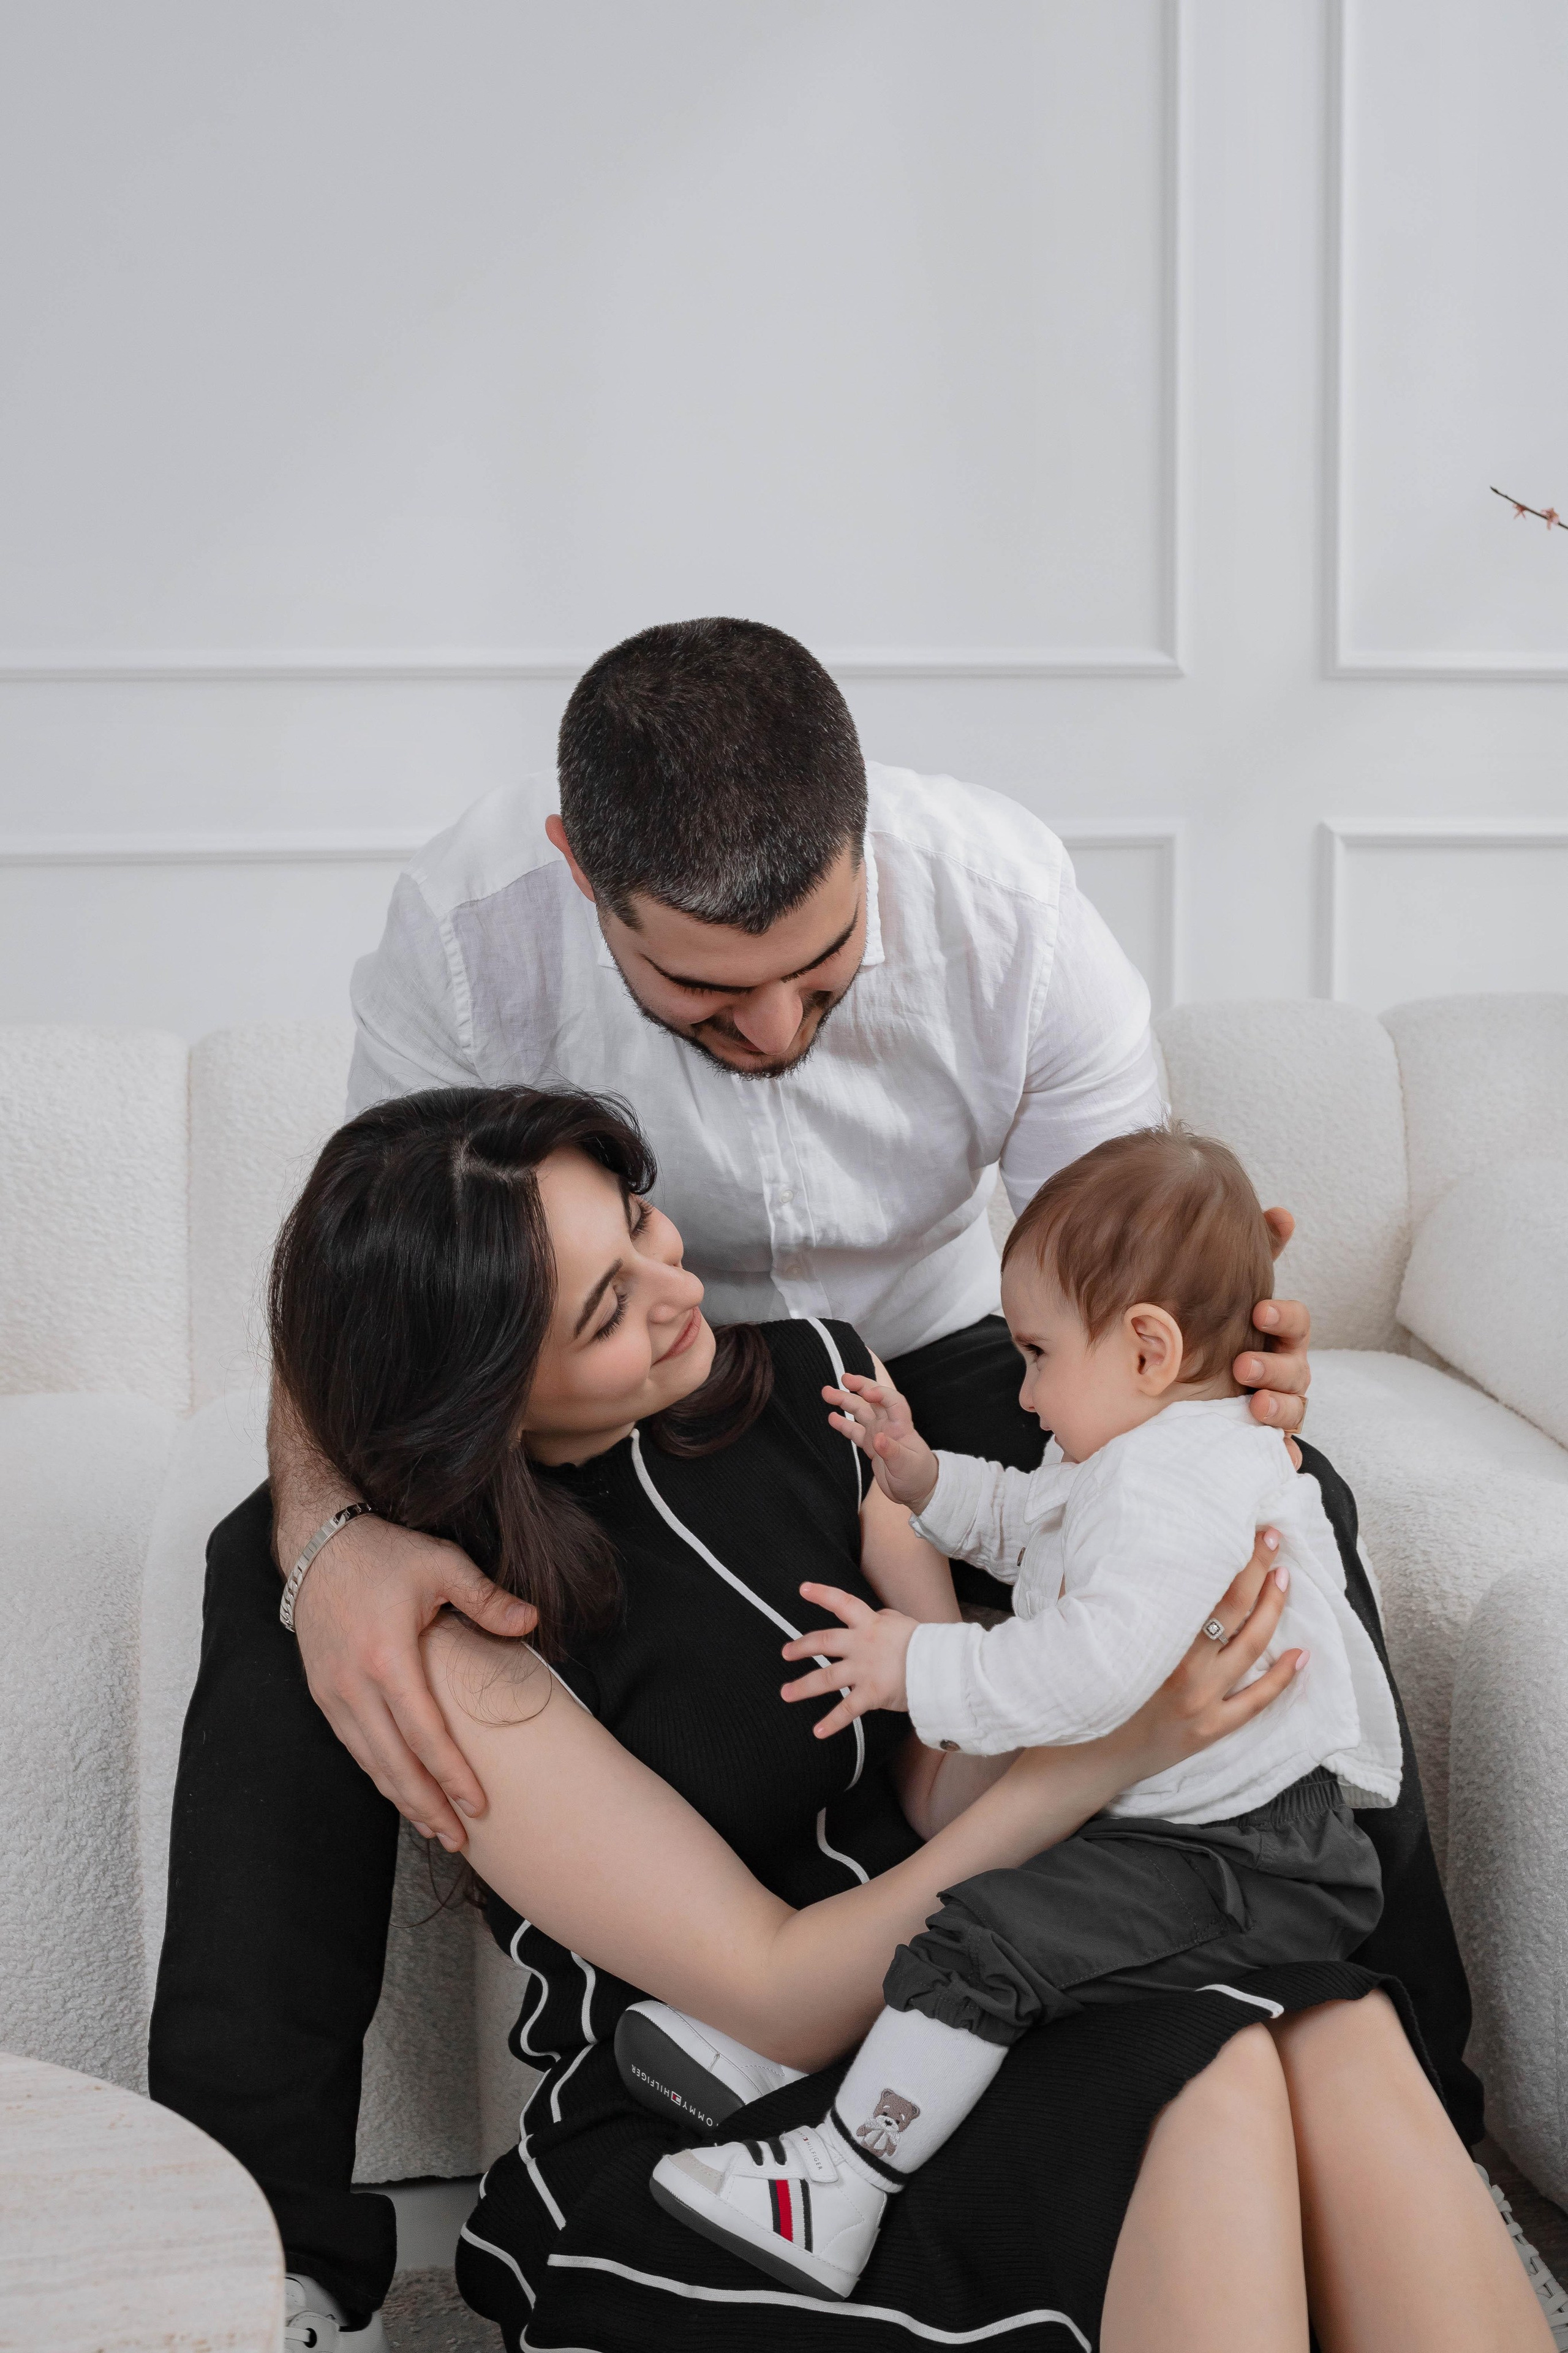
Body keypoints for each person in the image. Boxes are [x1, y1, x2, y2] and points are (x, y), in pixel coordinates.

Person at [146, 617, 1471, 2336]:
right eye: (708, 992)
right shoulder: (468, 945)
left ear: (868, 842)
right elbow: (383, 1290)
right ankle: (259, 2260)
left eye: (826, 972)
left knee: (1270, 1494)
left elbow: (1124, 1273)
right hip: (572, 1363)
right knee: (277, 1575)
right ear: (581, 876)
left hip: (942, 1350)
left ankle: (1409, 2084)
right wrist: (332, 1546)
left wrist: (1215, 1371)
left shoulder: (1005, 909)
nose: (776, 1025)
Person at [258, 1085, 1545, 2352]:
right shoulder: (451, 1632)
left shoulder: (824, 1383)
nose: (682, 1289)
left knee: (1333, 2025)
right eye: (608, 1307)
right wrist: (1119, 1749)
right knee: (1206, 2083)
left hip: (977, 1992)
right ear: (482, 1397)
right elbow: (772, 1992)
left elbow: (940, 1782)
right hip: (730, 2089)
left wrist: (1153, 1582)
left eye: (643, 1224)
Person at [640, 1125, 1403, 2300]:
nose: (1028, 1389)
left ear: (1149, 1346)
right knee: (980, 1902)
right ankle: (799, 2057)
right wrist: (922, 1473)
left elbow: (1087, 1675)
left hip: (1245, 1861)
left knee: (996, 1937)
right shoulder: (1137, 1447)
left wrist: (922, 1665)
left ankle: (837, 2182)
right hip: (1182, 1827)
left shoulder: (1177, 1488)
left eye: (1039, 1354)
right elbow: (1032, 1520)